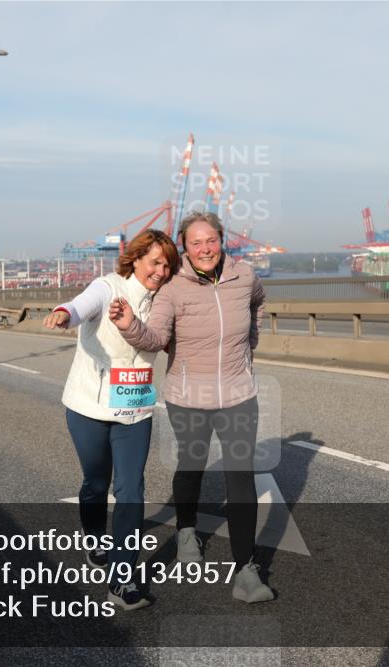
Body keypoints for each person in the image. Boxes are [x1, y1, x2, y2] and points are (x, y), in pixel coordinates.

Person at [109, 211, 274, 604]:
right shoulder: (172, 287)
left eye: (211, 240)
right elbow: (155, 338)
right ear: (185, 247)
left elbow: (258, 303)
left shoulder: (244, 276)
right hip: (188, 397)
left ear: (222, 240)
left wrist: (250, 341)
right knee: (191, 465)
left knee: (241, 477)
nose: (205, 248)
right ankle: (186, 529)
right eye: (196, 242)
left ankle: (246, 571)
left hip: (238, 393)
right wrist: (130, 325)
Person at [44, 229, 180, 610]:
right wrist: (65, 313)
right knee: (95, 482)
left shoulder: (165, 300)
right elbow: (82, 304)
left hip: (135, 409)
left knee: (131, 490)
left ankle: (122, 581)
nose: (161, 271)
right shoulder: (108, 287)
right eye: (155, 262)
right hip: (89, 405)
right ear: (135, 259)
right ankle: (93, 537)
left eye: (167, 265)